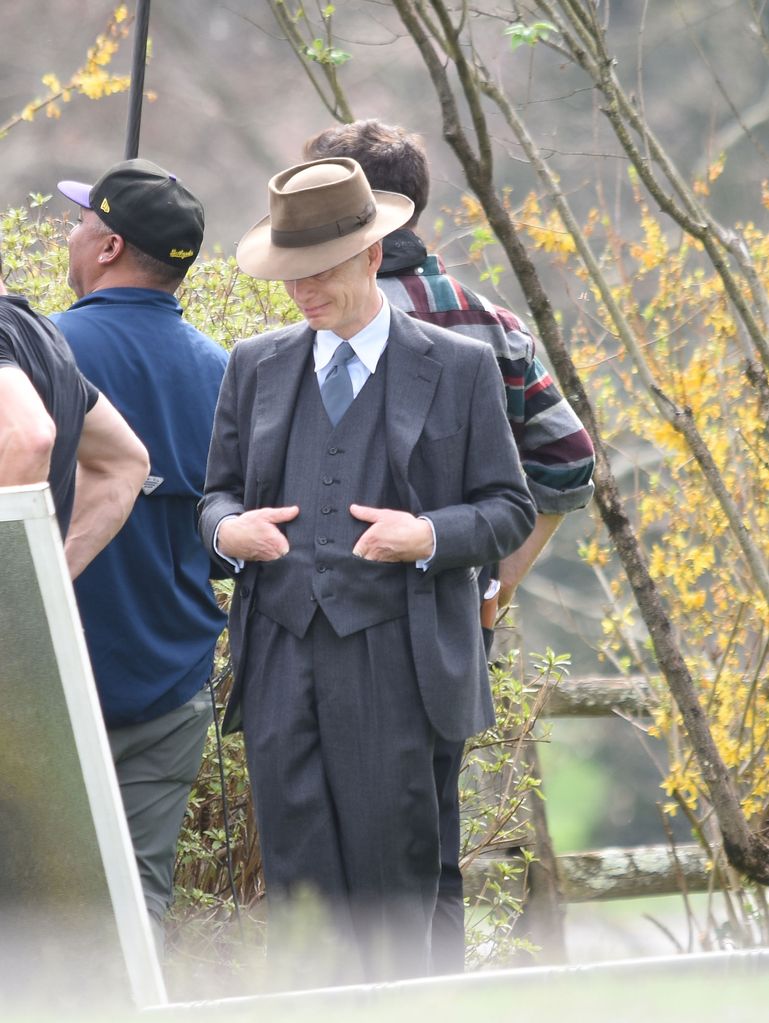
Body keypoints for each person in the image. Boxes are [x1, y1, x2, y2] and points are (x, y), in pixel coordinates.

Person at [199, 156, 537, 984]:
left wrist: (423, 534)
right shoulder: (254, 363)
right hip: (280, 657)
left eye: (317, 272)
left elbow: (509, 508)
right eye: (289, 275)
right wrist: (229, 532)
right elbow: (213, 498)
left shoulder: (457, 367)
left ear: (371, 257)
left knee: (396, 896)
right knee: (300, 896)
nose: (301, 292)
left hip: (402, 663)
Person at [303, 120, 596, 973]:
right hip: (452, 620)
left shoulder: (329, 327)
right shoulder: (491, 321)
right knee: (429, 838)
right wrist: (494, 585)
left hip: (347, 626)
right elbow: (569, 464)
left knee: (353, 859)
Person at [52, 159, 228, 948]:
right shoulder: (227, 373)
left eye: (83, 221)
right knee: (139, 897)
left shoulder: (42, 353)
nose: (71, 232)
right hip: (172, 682)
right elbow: (228, 545)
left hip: (49, 673)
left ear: (110, 245)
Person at [0, 257, 148, 576]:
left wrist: (11, 592)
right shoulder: (42, 334)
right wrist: (51, 580)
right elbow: (125, 461)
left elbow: (31, 436)